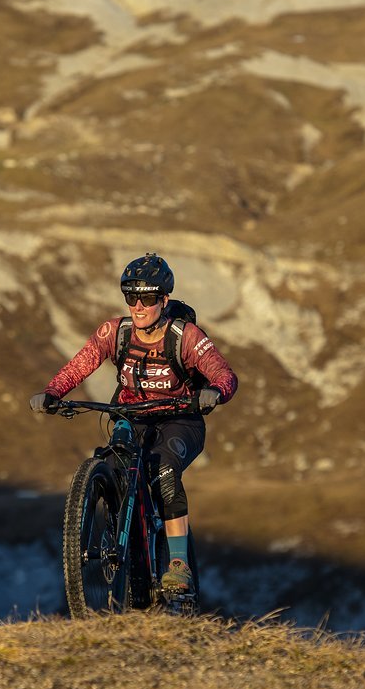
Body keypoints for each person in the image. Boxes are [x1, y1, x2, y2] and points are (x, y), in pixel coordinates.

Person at [29, 252, 238, 592]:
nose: (138, 306)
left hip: (180, 419)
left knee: (165, 471)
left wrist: (215, 391)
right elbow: (81, 365)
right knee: (112, 465)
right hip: (131, 415)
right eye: (131, 297)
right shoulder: (115, 332)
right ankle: (127, 543)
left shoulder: (184, 336)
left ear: (164, 299)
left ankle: (178, 564)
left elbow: (223, 372)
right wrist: (53, 392)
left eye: (148, 298)